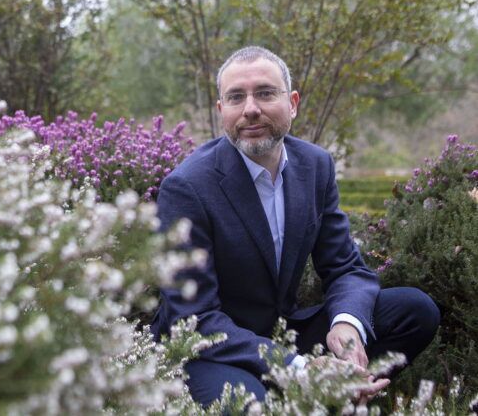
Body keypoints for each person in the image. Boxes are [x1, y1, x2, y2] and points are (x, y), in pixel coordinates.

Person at [151, 46, 440, 407]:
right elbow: (194, 318)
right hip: (212, 349)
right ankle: (308, 390)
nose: (251, 108)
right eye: (236, 97)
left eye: (266, 93)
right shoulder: (188, 188)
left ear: (293, 103)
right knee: (250, 405)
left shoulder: (315, 166)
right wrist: (299, 367)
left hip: (284, 330)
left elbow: (345, 267)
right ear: (221, 110)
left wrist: (347, 326)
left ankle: (342, 394)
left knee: (415, 310)